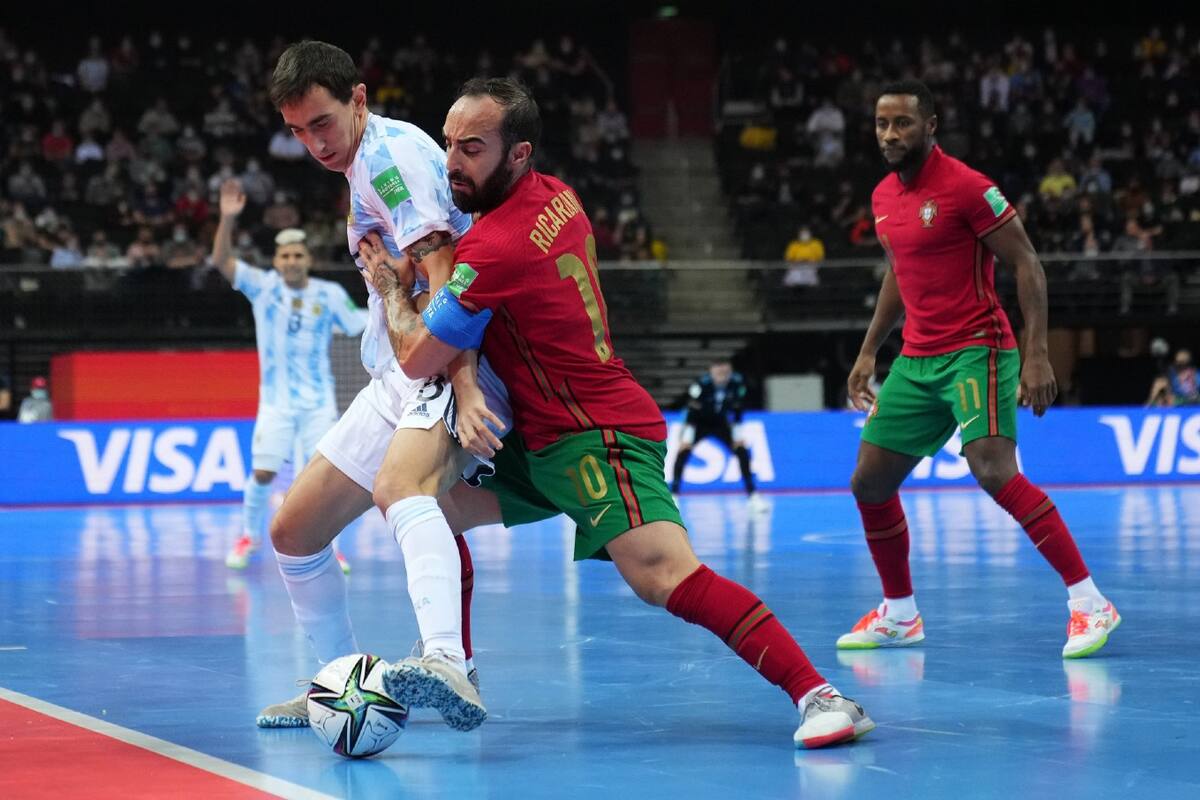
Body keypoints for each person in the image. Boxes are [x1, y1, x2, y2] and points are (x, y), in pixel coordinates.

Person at [357, 77, 873, 750]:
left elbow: (419, 356)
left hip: (595, 435)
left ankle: (822, 695)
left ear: (518, 154)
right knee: (423, 503)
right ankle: (456, 666)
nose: (451, 162)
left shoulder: (496, 247)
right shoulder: (558, 196)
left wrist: (394, 290)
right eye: (449, 144)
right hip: (537, 438)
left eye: (471, 148)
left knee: (663, 575)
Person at [256, 41, 512, 733]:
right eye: (298, 132)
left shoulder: (390, 162)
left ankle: (447, 663)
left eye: (322, 125)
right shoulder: (365, 159)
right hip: (399, 369)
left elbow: (447, 277)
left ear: (358, 100)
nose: (313, 144)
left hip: (446, 358)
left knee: (401, 490)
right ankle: (338, 686)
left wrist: (462, 386)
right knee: (292, 530)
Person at [839, 80, 1119, 659]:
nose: (890, 135)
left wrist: (1035, 351)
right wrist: (870, 350)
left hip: (978, 348)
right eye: (882, 125)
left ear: (931, 125)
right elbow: (900, 273)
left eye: (903, 124)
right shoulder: (883, 198)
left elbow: (1027, 264)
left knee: (993, 470)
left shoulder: (968, 188)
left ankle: (1090, 602)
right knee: (869, 482)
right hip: (917, 358)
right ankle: (899, 614)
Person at [211, 179, 366, 573]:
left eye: (299, 255)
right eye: (285, 256)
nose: (292, 261)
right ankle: (248, 536)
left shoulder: (329, 294)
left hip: (318, 402)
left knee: (322, 478)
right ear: (277, 261)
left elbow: (359, 322)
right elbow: (222, 263)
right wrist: (227, 221)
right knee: (263, 472)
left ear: (307, 259)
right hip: (276, 403)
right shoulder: (262, 288)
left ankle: (329, 546)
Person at [670, 359, 767, 512]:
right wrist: (687, 436)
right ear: (711, 371)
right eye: (719, 372)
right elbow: (691, 409)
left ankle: (753, 495)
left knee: (742, 452)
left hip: (721, 423)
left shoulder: (737, 384)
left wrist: (737, 435)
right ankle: (674, 495)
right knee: (683, 453)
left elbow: (737, 409)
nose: (722, 375)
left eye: (726, 372)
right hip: (699, 423)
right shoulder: (701, 385)